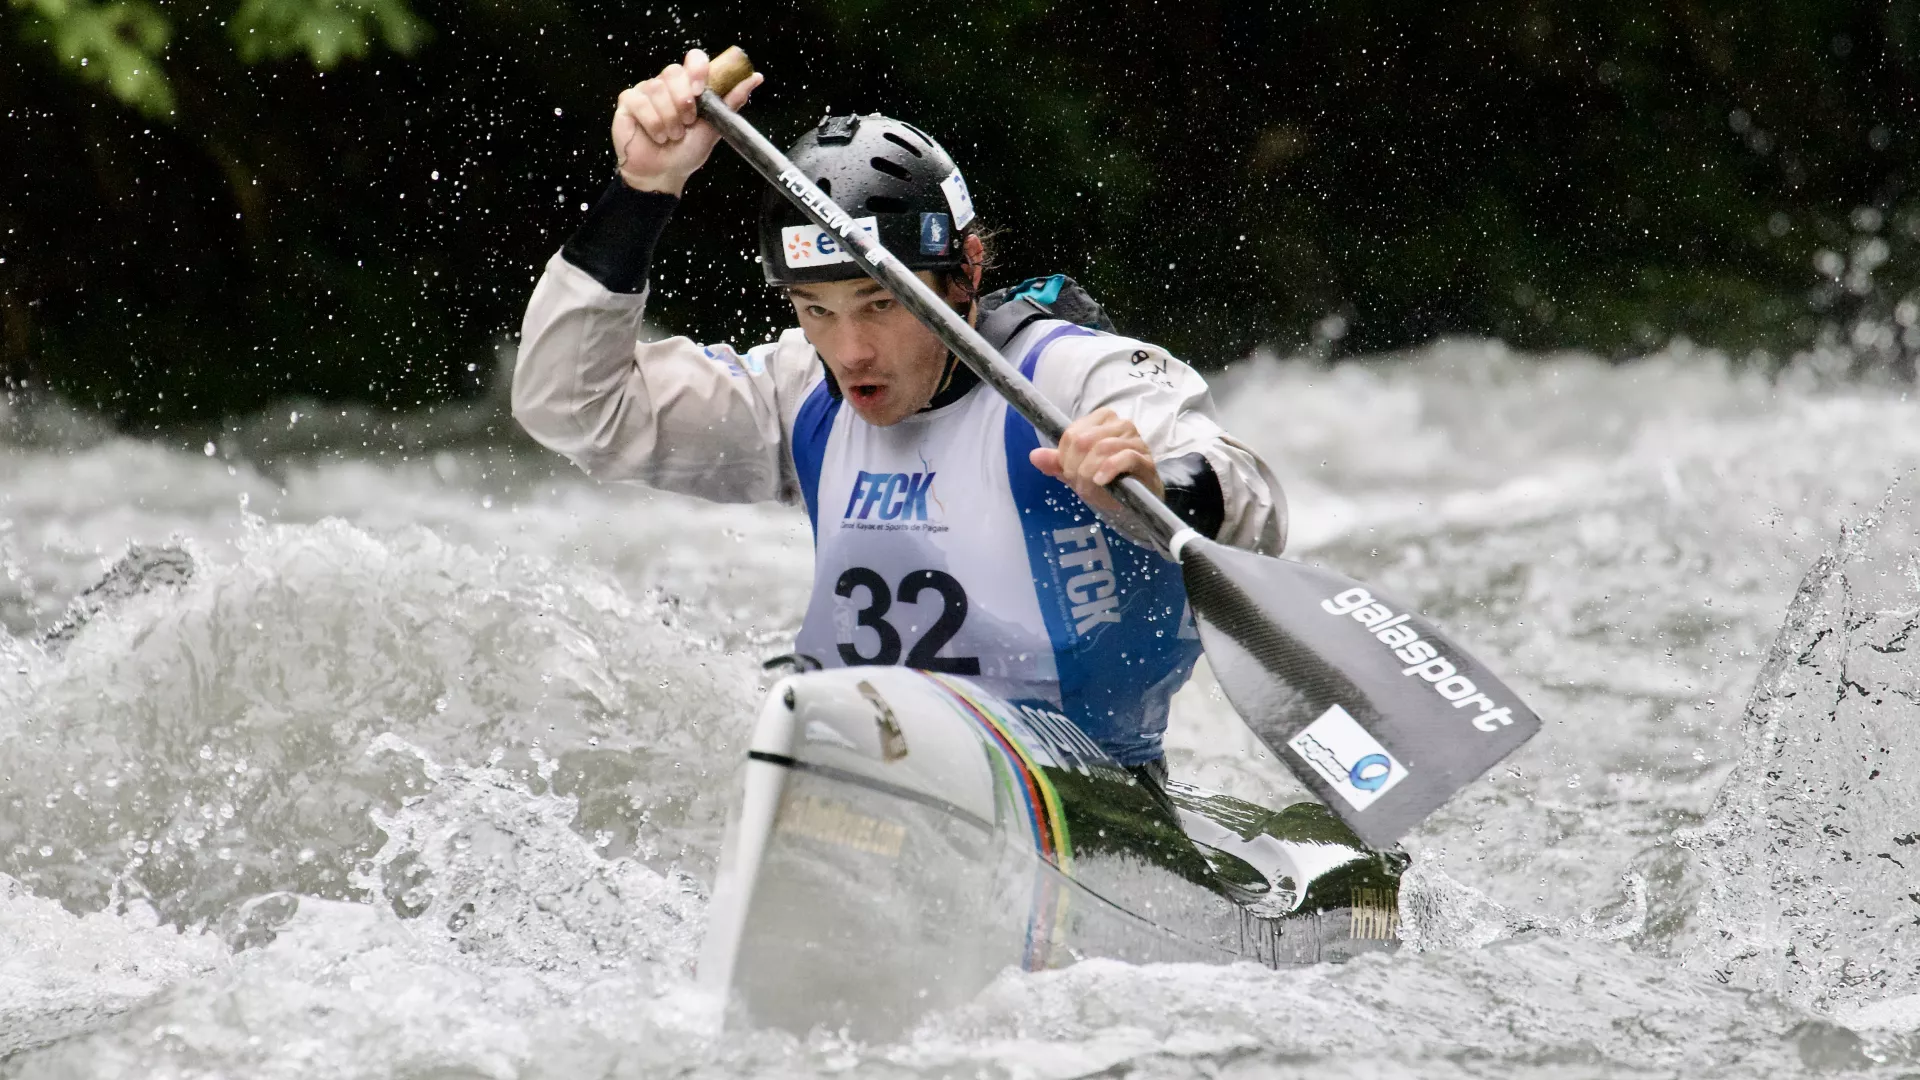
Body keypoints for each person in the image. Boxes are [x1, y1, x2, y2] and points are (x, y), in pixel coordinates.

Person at [513, 49, 1285, 782]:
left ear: (965, 271)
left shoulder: (1070, 377)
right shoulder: (801, 394)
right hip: (853, 766)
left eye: (880, 304)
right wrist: (642, 190)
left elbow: (1253, 509)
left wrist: (1154, 486)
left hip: (1082, 784)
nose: (849, 352)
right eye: (815, 309)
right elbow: (572, 408)